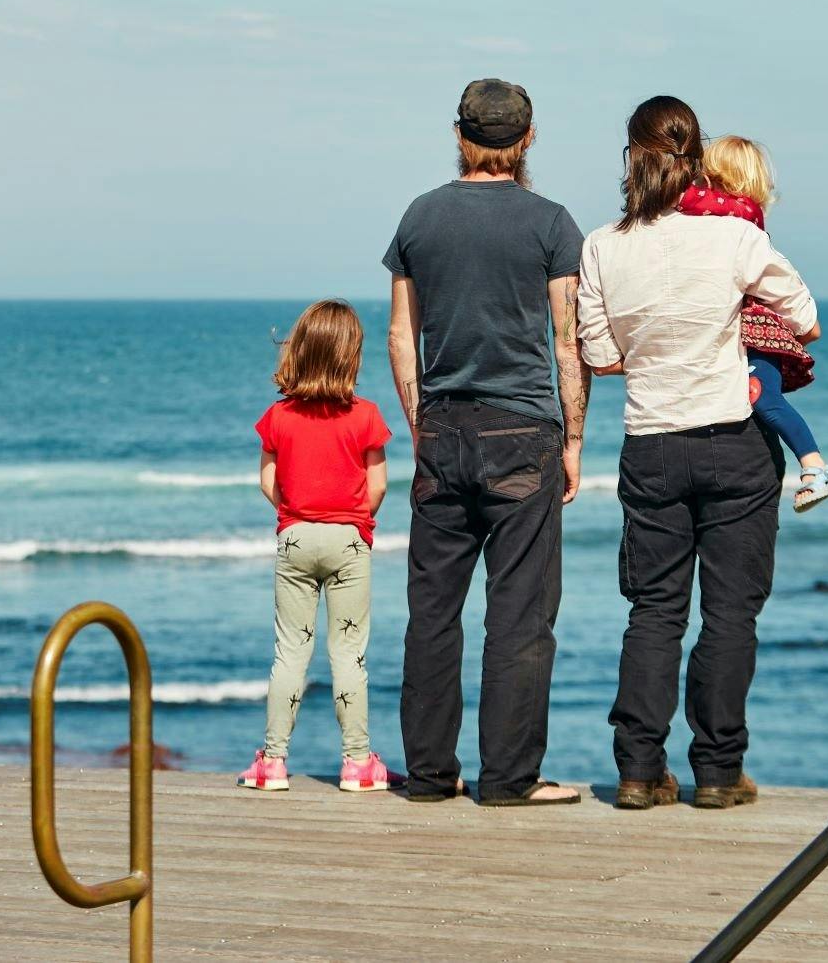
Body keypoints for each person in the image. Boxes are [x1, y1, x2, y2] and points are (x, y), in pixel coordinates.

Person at [578, 96, 819, 811]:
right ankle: (718, 770)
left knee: (653, 612)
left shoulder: (601, 244)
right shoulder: (733, 239)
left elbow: (598, 353)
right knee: (730, 615)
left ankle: (638, 769)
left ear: (631, 158)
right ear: (698, 157)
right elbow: (806, 317)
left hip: (651, 442)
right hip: (734, 442)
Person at [383, 78, 587, 806]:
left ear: (458, 133)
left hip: (441, 427)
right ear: (527, 138)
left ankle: (432, 774)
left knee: (433, 612)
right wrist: (574, 439)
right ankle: (508, 777)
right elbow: (566, 341)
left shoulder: (419, 216)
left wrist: (418, 425)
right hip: (523, 431)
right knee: (521, 614)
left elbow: (401, 336)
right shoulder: (552, 223)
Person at [238, 299, 394, 795]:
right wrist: (357, 523)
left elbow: (268, 481)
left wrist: (294, 512)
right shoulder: (366, 415)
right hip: (350, 540)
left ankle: (274, 762)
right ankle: (357, 763)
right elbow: (378, 485)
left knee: (290, 652)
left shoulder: (279, 416)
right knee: (349, 653)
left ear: (300, 351)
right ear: (351, 357)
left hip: (296, 537)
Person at [680, 135, 828, 511]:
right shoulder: (733, 216)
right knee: (758, 395)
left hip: (756, 334)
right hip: (748, 333)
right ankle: (812, 465)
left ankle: (816, 466)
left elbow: (685, 201)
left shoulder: (737, 214)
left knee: (763, 395)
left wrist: (667, 191)